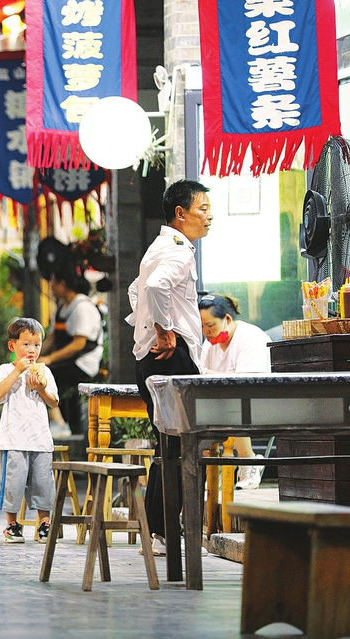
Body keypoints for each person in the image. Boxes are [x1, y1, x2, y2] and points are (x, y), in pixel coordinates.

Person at [127, 179, 212, 556]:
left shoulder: (158, 247)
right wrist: (163, 331)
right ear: (181, 213)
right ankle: (164, 532)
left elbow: (137, 290)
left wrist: (147, 328)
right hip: (170, 357)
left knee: (169, 442)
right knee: (181, 443)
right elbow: (156, 288)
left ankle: (158, 531)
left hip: (153, 358)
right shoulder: (178, 250)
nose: (209, 215)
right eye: (202, 208)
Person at [0, 318, 59, 544]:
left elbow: (53, 402)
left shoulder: (45, 372)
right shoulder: (4, 370)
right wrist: (17, 370)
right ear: (12, 346)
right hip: (13, 441)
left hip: (40, 439)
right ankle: (12, 525)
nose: (32, 350)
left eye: (37, 345)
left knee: (43, 484)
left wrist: (41, 388)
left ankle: (44, 525)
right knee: (13, 485)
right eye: (26, 344)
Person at [198, 293, 271, 489]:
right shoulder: (210, 343)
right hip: (222, 399)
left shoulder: (249, 337)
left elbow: (245, 382)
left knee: (234, 401)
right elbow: (199, 375)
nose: (206, 332)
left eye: (211, 326)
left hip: (260, 400)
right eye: (203, 327)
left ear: (227, 319)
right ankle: (214, 471)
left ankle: (249, 463)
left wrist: (209, 374)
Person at [38, 264, 103, 437]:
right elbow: (52, 339)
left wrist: (50, 359)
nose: (49, 286)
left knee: (45, 374)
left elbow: (78, 344)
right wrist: (34, 355)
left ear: (62, 283)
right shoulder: (62, 307)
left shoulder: (82, 307)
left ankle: (58, 422)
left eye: (52, 281)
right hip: (67, 360)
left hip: (83, 362)